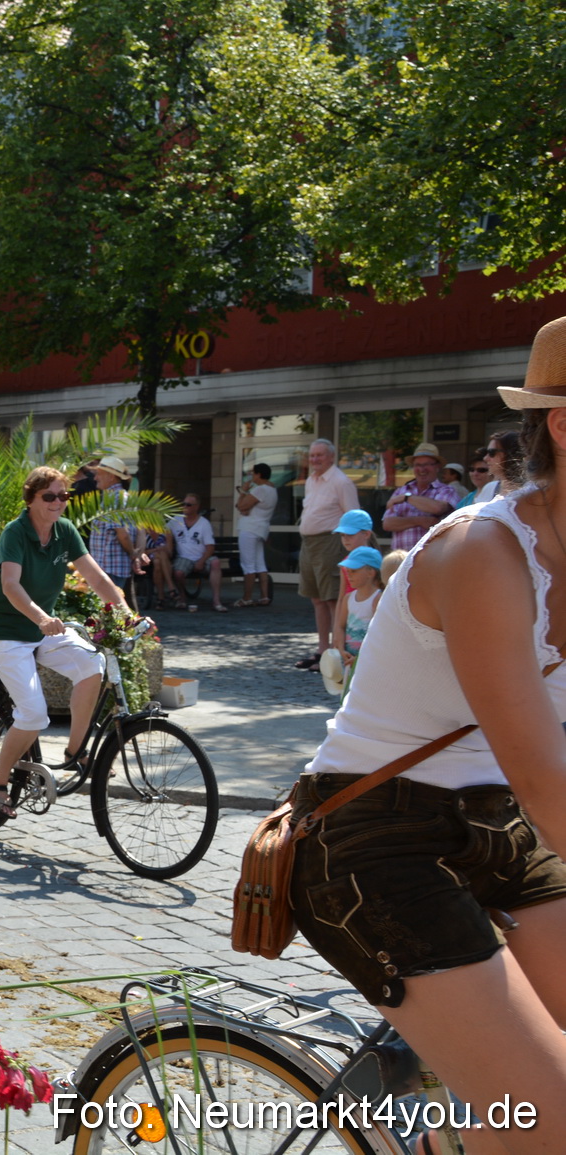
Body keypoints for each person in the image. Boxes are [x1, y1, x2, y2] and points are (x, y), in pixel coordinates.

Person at [289, 324, 566, 1154]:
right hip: (372, 835)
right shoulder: (484, 551)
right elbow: (549, 783)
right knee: (552, 1121)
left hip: (494, 822)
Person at [0, 466, 139, 818]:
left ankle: (76, 750)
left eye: (63, 496)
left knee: (91, 664)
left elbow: (96, 577)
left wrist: (127, 613)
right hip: (6, 631)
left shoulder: (64, 532)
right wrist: (41, 618)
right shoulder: (15, 532)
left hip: (42, 630)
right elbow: (10, 585)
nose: (57, 503)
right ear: (31, 497)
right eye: (49, 496)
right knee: (34, 714)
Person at [296, 439, 361, 671]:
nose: (315, 459)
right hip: (310, 543)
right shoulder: (311, 481)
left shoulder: (341, 482)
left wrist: (351, 551)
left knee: (333, 598)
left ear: (331, 457)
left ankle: (337, 653)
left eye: (320, 456)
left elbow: (353, 518)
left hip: (331, 542)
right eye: (312, 455)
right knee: (316, 598)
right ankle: (322, 651)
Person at [85, 455, 145, 609]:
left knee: (110, 613)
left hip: (109, 567)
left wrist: (133, 553)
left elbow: (123, 534)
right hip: (114, 566)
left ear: (111, 476)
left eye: (99, 473)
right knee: (118, 611)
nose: (95, 477)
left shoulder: (114, 498)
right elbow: (140, 530)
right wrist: (136, 555)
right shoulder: (125, 497)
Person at [381, 441, 457, 551]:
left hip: (432, 560)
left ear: (437, 467)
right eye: (418, 465)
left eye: (427, 464)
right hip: (401, 560)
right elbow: (388, 524)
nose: (422, 469)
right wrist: (419, 521)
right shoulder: (401, 491)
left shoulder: (446, 490)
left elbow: (438, 508)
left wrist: (407, 498)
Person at [157, 493, 227, 611]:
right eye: (183, 504)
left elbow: (210, 547)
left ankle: (216, 601)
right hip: (184, 557)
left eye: (188, 505)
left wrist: (201, 561)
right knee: (178, 572)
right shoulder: (175, 521)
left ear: (196, 507)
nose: (185, 507)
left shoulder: (204, 523)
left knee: (216, 563)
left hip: (202, 556)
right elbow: (162, 531)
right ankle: (182, 598)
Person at [327, 544, 384, 679]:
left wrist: (361, 657)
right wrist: (341, 648)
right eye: (348, 571)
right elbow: (341, 626)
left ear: (371, 573)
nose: (349, 575)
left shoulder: (378, 598)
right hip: (348, 661)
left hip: (369, 662)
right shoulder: (348, 599)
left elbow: (379, 633)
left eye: (354, 571)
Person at [234, 463, 278, 607]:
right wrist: (246, 507)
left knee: (248, 565)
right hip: (261, 528)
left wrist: (243, 492)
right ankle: (264, 596)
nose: (251, 476)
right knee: (260, 564)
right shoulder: (272, 490)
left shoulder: (260, 489)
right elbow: (247, 508)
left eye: (253, 473)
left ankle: (246, 598)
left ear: (259, 474)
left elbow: (241, 506)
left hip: (250, 529)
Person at [478, 429, 525, 502]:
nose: (485, 458)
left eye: (492, 452)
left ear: (510, 454)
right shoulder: (490, 488)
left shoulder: (532, 491)